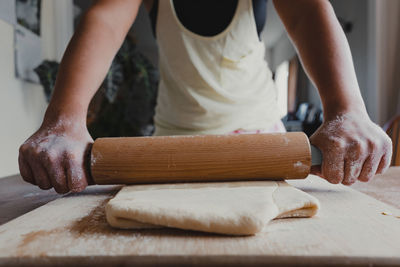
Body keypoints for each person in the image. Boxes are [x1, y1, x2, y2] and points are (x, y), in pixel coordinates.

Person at [18, 0, 392, 194]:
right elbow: (106, 18)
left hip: (262, 143)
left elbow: (308, 13)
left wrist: (347, 110)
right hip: (171, 145)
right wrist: (64, 119)